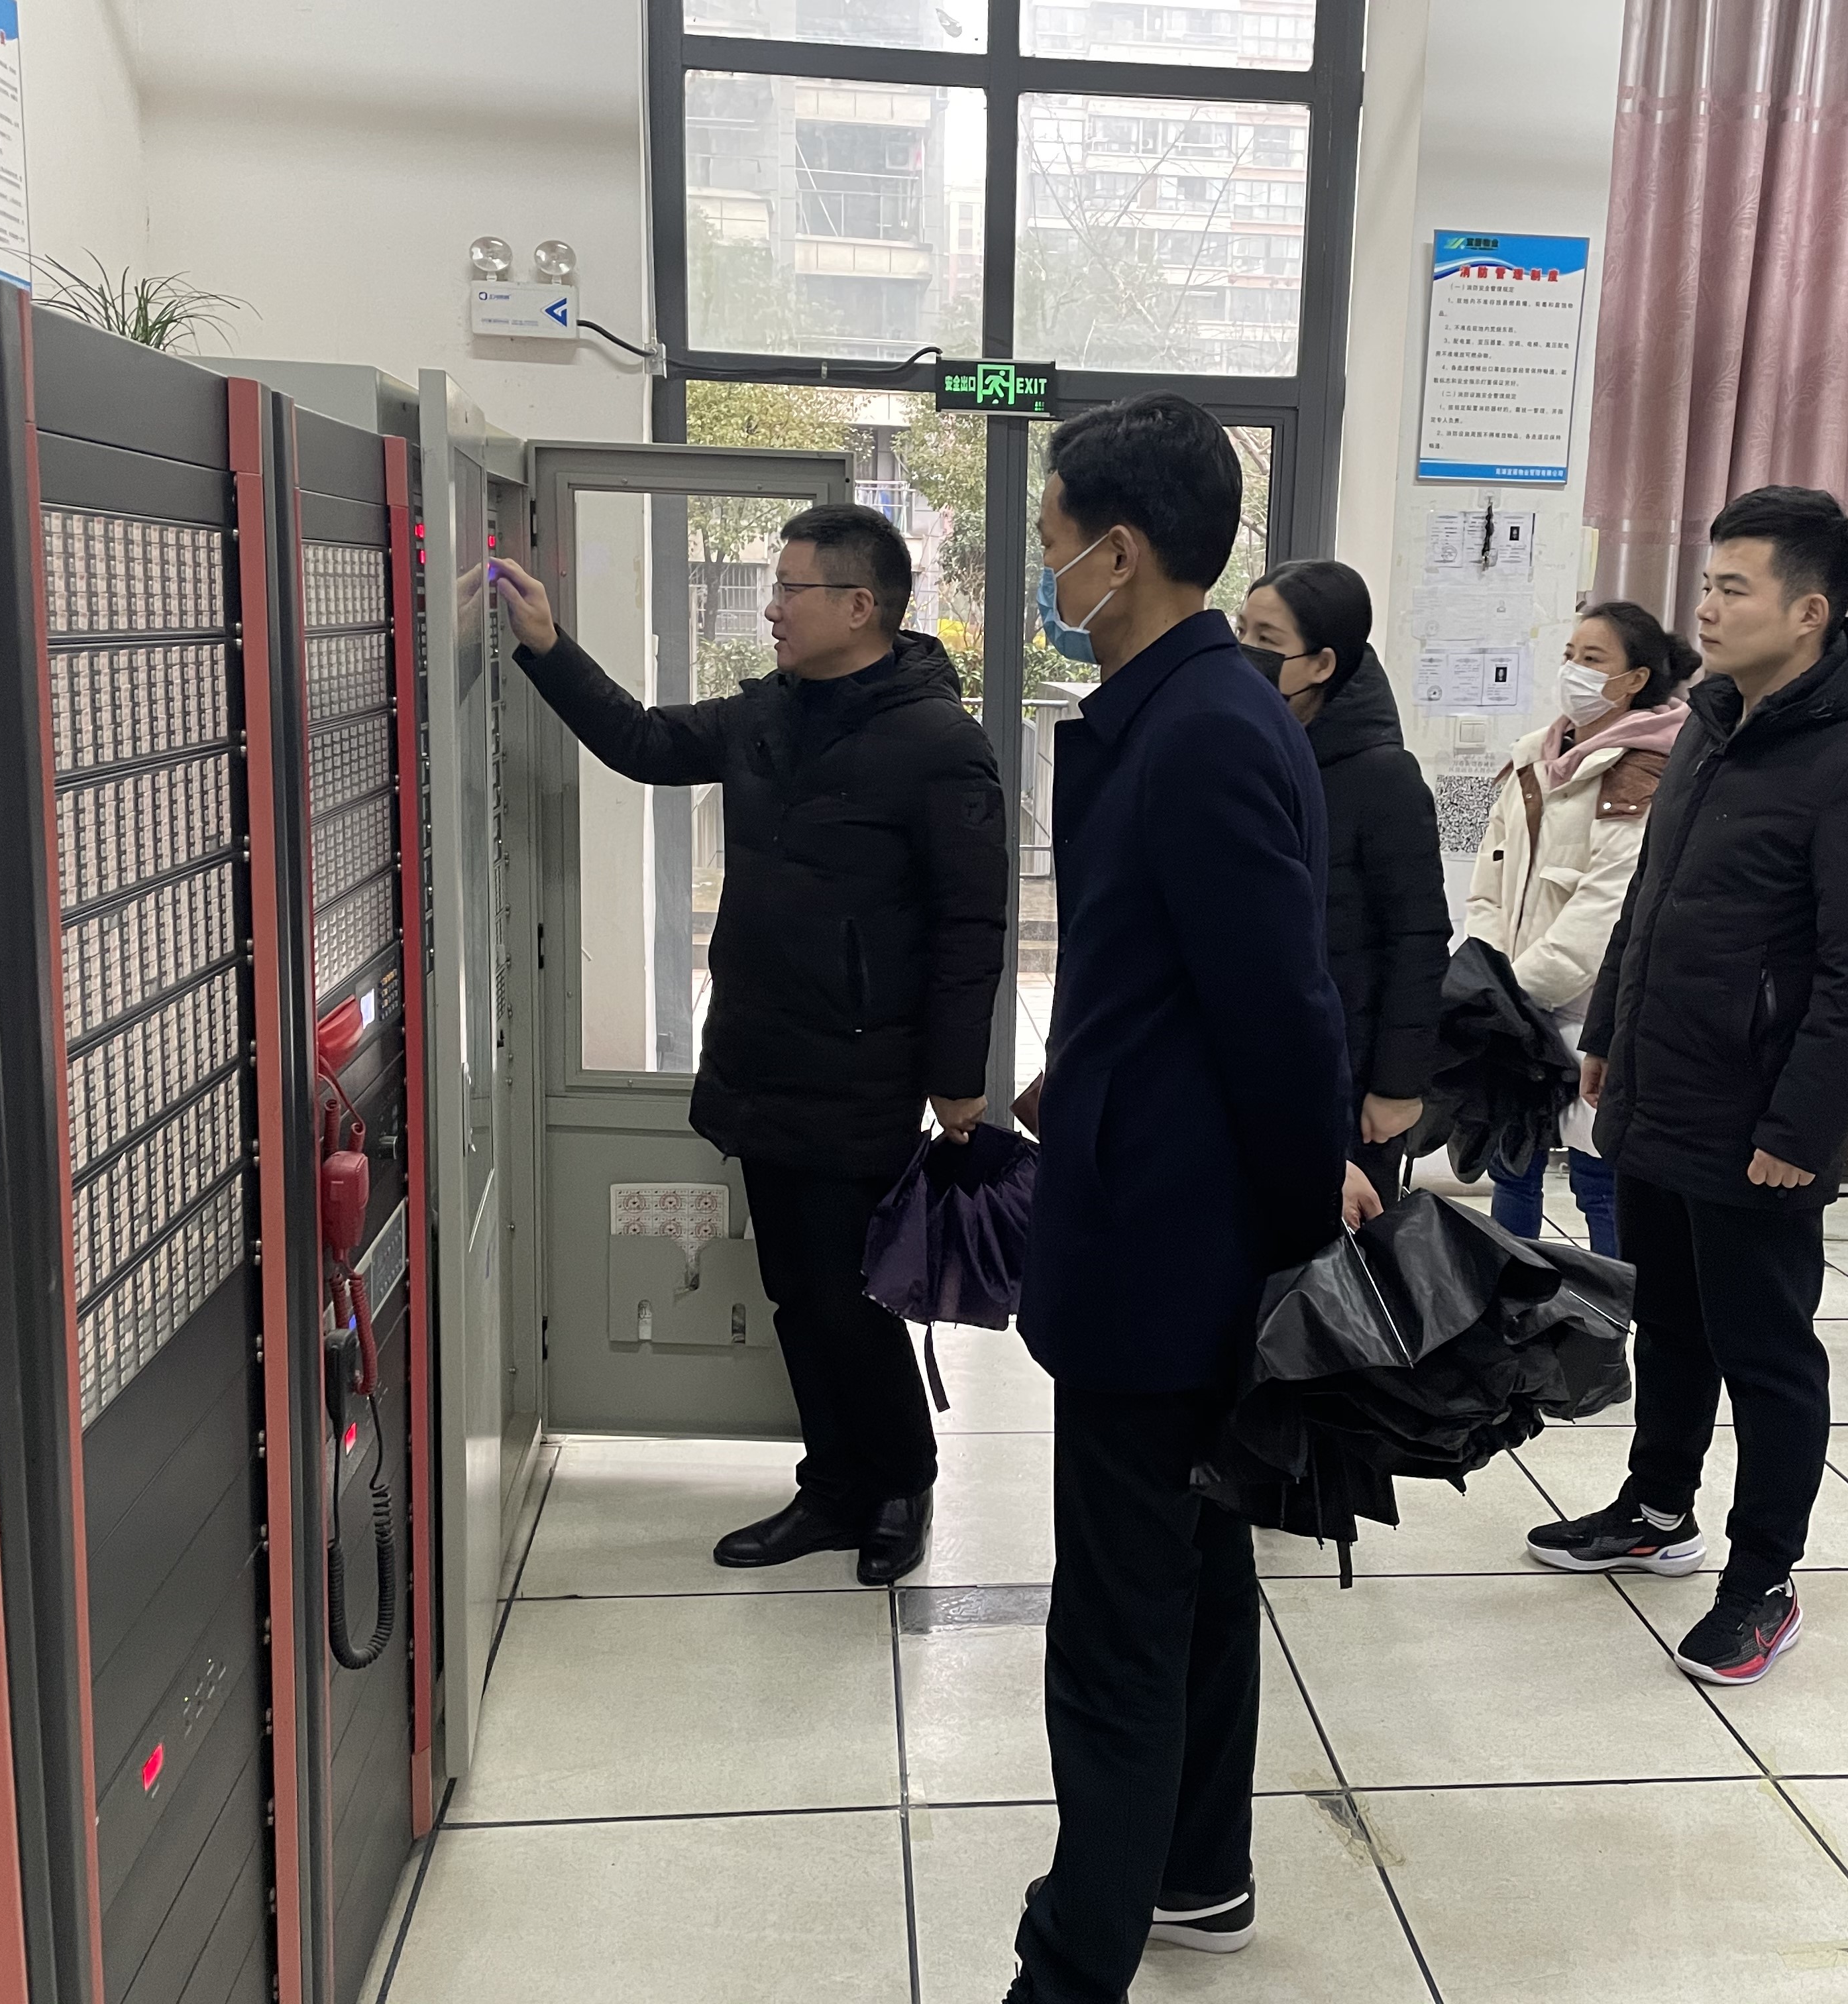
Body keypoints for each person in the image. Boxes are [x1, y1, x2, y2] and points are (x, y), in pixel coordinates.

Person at [1003, 394, 1372, 2004]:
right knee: (1200, 1568)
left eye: (1050, 538)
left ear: (1121, 550)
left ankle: (1070, 1967)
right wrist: (1080, 1069)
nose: (1044, 567)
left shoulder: (1207, 726)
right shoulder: (1181, 707)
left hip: (1169, 1256)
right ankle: (1199, 1871)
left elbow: (1284, 1014)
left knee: (1117, 1628)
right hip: (1160, 1207)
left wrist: (1293, 1242)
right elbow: (1179, 977)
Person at [488, 504, 1006, 1588]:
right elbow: (642, 741)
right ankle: (832, 1485)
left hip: (862, 1068)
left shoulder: (938, 744)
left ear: (859, 606)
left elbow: (971, 927)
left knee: (852, 1295)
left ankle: (901, 1481)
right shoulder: (766, 713)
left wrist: (958, 1081)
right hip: (759, 1056)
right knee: (793, 1291)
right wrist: (546, 646)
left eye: (790, 589)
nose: (771, 608)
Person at [1525, 486, 1848, 1687]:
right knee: (1670, 1317)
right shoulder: (1711, 719)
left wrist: (1801, 1130)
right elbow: (1651, 898)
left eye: (1733, 588)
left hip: (1762, 1112)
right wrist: (1610, 1028)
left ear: (1809, 611)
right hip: (1663, 1080)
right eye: (1706, 584)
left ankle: (1763, 1576)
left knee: (1765, 1350)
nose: (1705, 608)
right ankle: (1657, 1509)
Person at [1464, 601, 1695, 1255]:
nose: (1574, 670)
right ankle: (1509, 1301)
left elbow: (1608, 904)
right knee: (1513, 1163)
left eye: (1593, 659)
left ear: (1636, 679)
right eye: (1570, 655)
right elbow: (1489, 879)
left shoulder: (1648, 768)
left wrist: (1517, 991)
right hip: (1515, 1005)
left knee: (1599, 1178)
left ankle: (1609, 1307)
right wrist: (1490, 978)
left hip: (1593, 1010)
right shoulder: (1533, 756)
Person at [1236, 559, 1448, 1199]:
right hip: (1263, 1059)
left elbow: (1418, 939)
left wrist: (1397, 1087)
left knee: (1338, 1250)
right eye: (1241, 630)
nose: (1245, 652)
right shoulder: (1252, 748)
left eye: (1267, 640)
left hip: (1349, 1077)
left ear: (1323, 664)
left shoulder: (1384, 777)